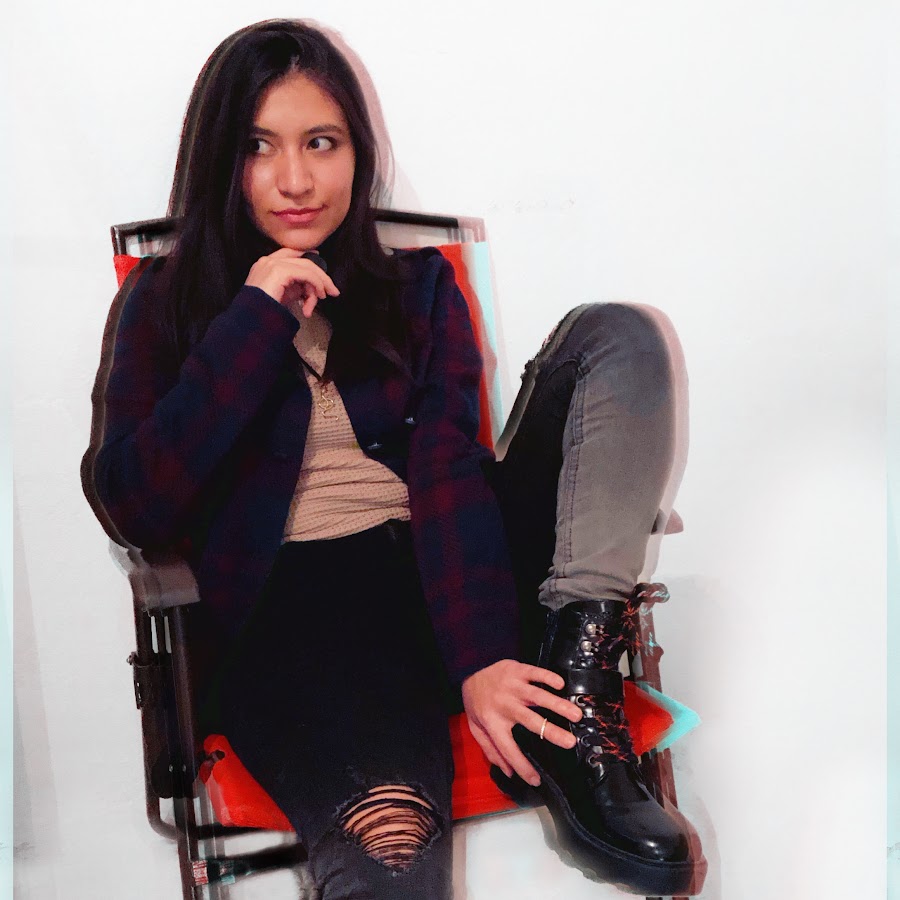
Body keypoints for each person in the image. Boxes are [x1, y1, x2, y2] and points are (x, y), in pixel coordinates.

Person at [83, 18, 705, 899]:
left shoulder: (416, 289)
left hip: (451, 569)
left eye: (321, 143)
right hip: (305, 624)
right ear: (219, 158)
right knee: (391, 861)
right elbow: (133, 504)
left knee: (620, 335)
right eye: (259, 147)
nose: (295, 179)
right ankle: (554, 724)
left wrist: (481, 657)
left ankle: (578, 688)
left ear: (357, 153)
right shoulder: (162, 303)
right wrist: (254, 321)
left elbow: (448, 471)